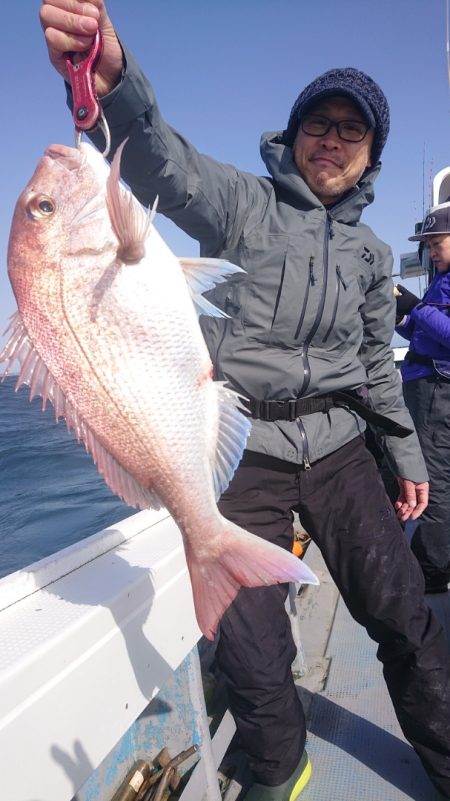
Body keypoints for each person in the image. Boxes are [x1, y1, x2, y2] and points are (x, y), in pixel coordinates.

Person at [40, 3, 450, 799]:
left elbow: (373, 365)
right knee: (251, 643)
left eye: (351, 132)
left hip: (338, 452)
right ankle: (278, 767)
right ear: (294, 135)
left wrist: (402, 457)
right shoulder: (241, 203)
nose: (331, 140)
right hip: (243, 452)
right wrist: (111, 83)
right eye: (318, 124)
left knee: (402, 613)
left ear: (371, 158)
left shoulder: (371, 255)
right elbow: (161, 163)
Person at [395, 204, 450, 594]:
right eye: (428, 245)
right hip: (421, 386)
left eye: (438, 243)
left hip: (435, 393)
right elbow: (419, 333)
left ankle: (432, 569)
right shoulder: (440, 281)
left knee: (435, 476)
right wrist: (402, 312)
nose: (432, 252)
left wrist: (414, 306)